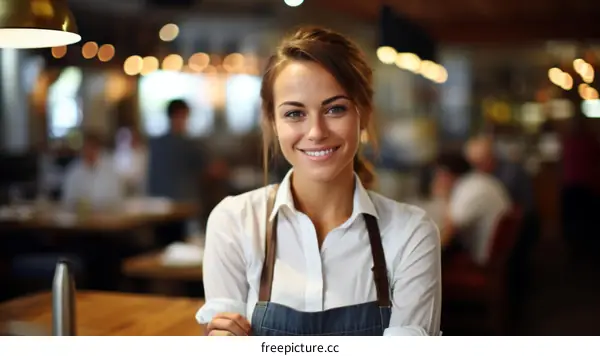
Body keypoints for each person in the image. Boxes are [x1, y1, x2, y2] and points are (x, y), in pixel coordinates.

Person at [196, 26, 441, 336]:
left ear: (363, 114)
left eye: (335, 109)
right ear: (273, 122)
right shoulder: (234, 222)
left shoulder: (411, 234)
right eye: (294, 114)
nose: (316, 132)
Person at [432, 152, 510, 265]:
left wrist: (444, 195)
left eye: (438, 175)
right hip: (494, 255)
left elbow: (447, 234)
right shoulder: (477, 181)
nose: (435, 180)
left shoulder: (470, 191)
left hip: (481, 260)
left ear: (445, 175)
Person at [62, 129, 124, 212]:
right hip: (80, 220)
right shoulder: (73, 172)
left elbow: (117, 199)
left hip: (106, 220)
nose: (90, 152)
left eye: (93, 148)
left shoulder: (111, 171)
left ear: (99, 149)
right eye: (87, 148)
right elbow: (68, 200)